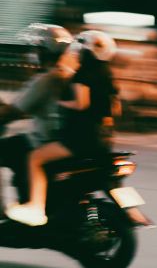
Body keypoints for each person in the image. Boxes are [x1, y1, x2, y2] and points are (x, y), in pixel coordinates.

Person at [6, 30, 118, 228]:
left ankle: (35, 208)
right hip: (102, 141)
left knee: (32, 158)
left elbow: (81, 103)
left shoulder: (68, 77)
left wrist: (62, 103)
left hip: (74, 139)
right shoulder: (103, 76)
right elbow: (115, 108)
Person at [0, 24, 76, 203]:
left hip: (43, 141)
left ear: (44, 51)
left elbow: (13, 111)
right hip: (60, 139)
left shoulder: (46, 79)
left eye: (36, 49)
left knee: (10, 149)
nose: (33, 53)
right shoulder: (67, 74)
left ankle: (23, 204)